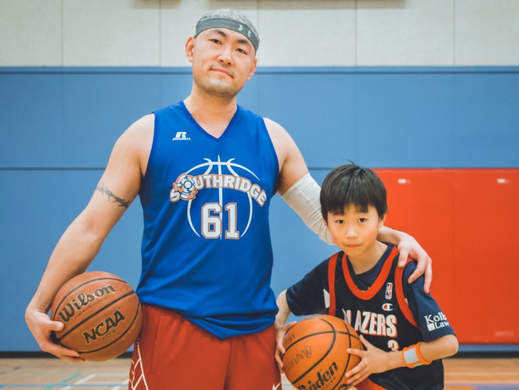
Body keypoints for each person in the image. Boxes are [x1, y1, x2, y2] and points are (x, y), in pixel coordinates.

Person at [25, 9, 432, 390]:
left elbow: (326, 223)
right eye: (216, 42)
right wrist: (39, 303)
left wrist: (396, 238)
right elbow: (90, 227)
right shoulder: (147, 134)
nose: (227, 55)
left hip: (255, 331)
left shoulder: (272, 138)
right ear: (191, 49)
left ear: (252, 68)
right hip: (172, 324)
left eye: (241, 49)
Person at [275, 164, 458, 390]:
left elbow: (447, 344)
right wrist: (277, 326)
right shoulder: (329, 273)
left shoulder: (404, 272)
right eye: (340, 222)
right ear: (326, 222)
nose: (351, 233)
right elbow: (285, 299)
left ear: (381, 218)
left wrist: (390, 360)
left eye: (362, 220)